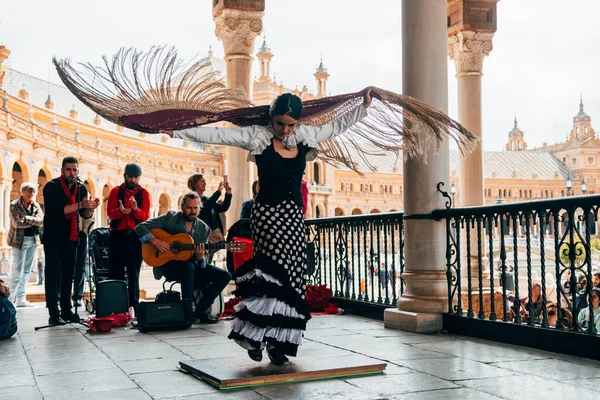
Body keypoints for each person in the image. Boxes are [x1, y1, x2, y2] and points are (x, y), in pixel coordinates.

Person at [165, 90, 372, 365]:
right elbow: (218, 135)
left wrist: (363, 106)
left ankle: (277, 342)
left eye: (291, 125)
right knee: (272, 275)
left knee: (293, 279)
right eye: (280, 124)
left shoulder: (304, 136)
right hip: (267, 215)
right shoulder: (257, 136)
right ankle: (254, 335)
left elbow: (336, 127)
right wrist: (177, 132)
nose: (286, 130)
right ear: (271, 119)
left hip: (293, 218)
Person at [136, 191, 231, 323]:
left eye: (195, 208)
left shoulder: (204, 229)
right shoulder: (170, 218)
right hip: (168, 265)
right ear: (182, 207)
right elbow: (141, 227)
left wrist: (199, 257)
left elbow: (203, 261)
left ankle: (200, 311)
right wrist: (156, 241)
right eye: (189, 208)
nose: (192, 211)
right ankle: (186, 314)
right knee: (188, 267)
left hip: (193, 266)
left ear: (199, 208)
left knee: (225, 275)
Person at [43, 157, 100, 324]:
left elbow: (84, 215)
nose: (72, 173)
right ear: (62, 170)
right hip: (54, 236)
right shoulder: (52, 187)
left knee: (69, 273)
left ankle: (67, 310)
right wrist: (81, 205)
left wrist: (89, 209)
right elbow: (59, 210)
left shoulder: (81, 188)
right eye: (68, 169)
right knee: (53, 274)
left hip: (72, 237)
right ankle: (53, 312)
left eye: (75, 170)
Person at [107, 163, 150, 309]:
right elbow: (110, 213)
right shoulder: (115, 191)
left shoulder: (144, 193)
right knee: (116, 271)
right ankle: (117, 305)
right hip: (117, 235)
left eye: (135, 177)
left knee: (134, 272)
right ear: (125, 176)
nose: (132, 180)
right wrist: (121, 212)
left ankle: (134, 305)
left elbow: (145, 217)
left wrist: (135, 209)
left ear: (138, 178)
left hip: (135, 237)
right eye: (130, 176)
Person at [7, 182, 44, 307]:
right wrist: (33, 221)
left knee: (27, 271)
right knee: (17, 271)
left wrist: (26, 218)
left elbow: (41, 221)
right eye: (29, 191)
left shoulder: (36, 205)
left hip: (33, 240)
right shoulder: (14, 205)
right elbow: (17, 223)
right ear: (22, 192)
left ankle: (21, 299)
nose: (32, 194)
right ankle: (10, 300)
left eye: (34, 192)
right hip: (19, 241)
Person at [187, 174, 232, 245]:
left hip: (212, 237)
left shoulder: (206, 199)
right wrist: (218, 192)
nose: (205, 183)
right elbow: (206, 207)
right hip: (201, 236)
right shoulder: (192, 199)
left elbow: (223, 207)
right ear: (195, 184)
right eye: (202, 181)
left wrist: (228, 194)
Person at [72, 215, 94, 308]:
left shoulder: (84, 201)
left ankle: (78, 296)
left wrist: (89, 214)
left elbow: (91, 221)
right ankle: (60, 297)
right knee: (65, 267)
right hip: (66, 232)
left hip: (81, 234)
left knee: (80, 267)